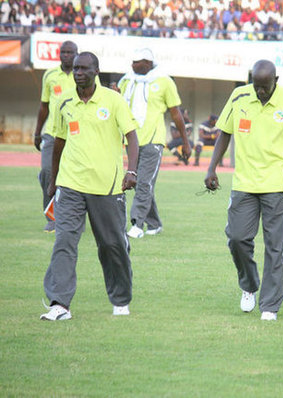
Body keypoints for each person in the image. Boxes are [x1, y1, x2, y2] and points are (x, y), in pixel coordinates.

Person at [204, 60, 283, 321]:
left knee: (276, 247)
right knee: (238, 239)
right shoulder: (239, 96)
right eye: (256, 86)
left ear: (277, 79)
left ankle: (270, 305)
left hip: (277, 184)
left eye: (265, 87)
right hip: (244, 183)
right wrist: (212, 168)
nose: (260, 91)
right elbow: (225, 133)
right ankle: (249, 284)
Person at [40, 52, 139, 321]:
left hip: (107, 187)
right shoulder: (63, 101)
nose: (78, 72)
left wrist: (131, 170)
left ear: (97, 70)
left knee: (111, 245)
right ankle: (59, 303)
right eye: (75, 68)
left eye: (84, 68)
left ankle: (120, 299)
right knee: (64, 241)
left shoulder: (113, 100)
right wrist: (53, 179)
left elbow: (131, 136)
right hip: (70, 184)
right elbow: (59, 141)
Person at [117, 48, 191, 239]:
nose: (133, 65)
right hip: (131, 140)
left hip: (153, 140)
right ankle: (155, 223)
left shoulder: (164, 81)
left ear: (148, 63)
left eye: (137, 62)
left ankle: (137, 224)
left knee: (143, 182)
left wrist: (185, 142)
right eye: (132, 62)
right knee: (145, 183)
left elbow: (176, 113)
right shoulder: (126, 81)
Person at [32, 41, 77, 233]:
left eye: (70, 52)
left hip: (76, 133)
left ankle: (73, 217)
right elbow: (44, 105)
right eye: (63, 52)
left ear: (77, 54)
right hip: (51, 133)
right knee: (48, 173)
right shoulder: (49, 75)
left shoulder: (83, 73)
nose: (66, 55)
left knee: (76, 177)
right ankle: (52, 218)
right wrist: (37, 132)